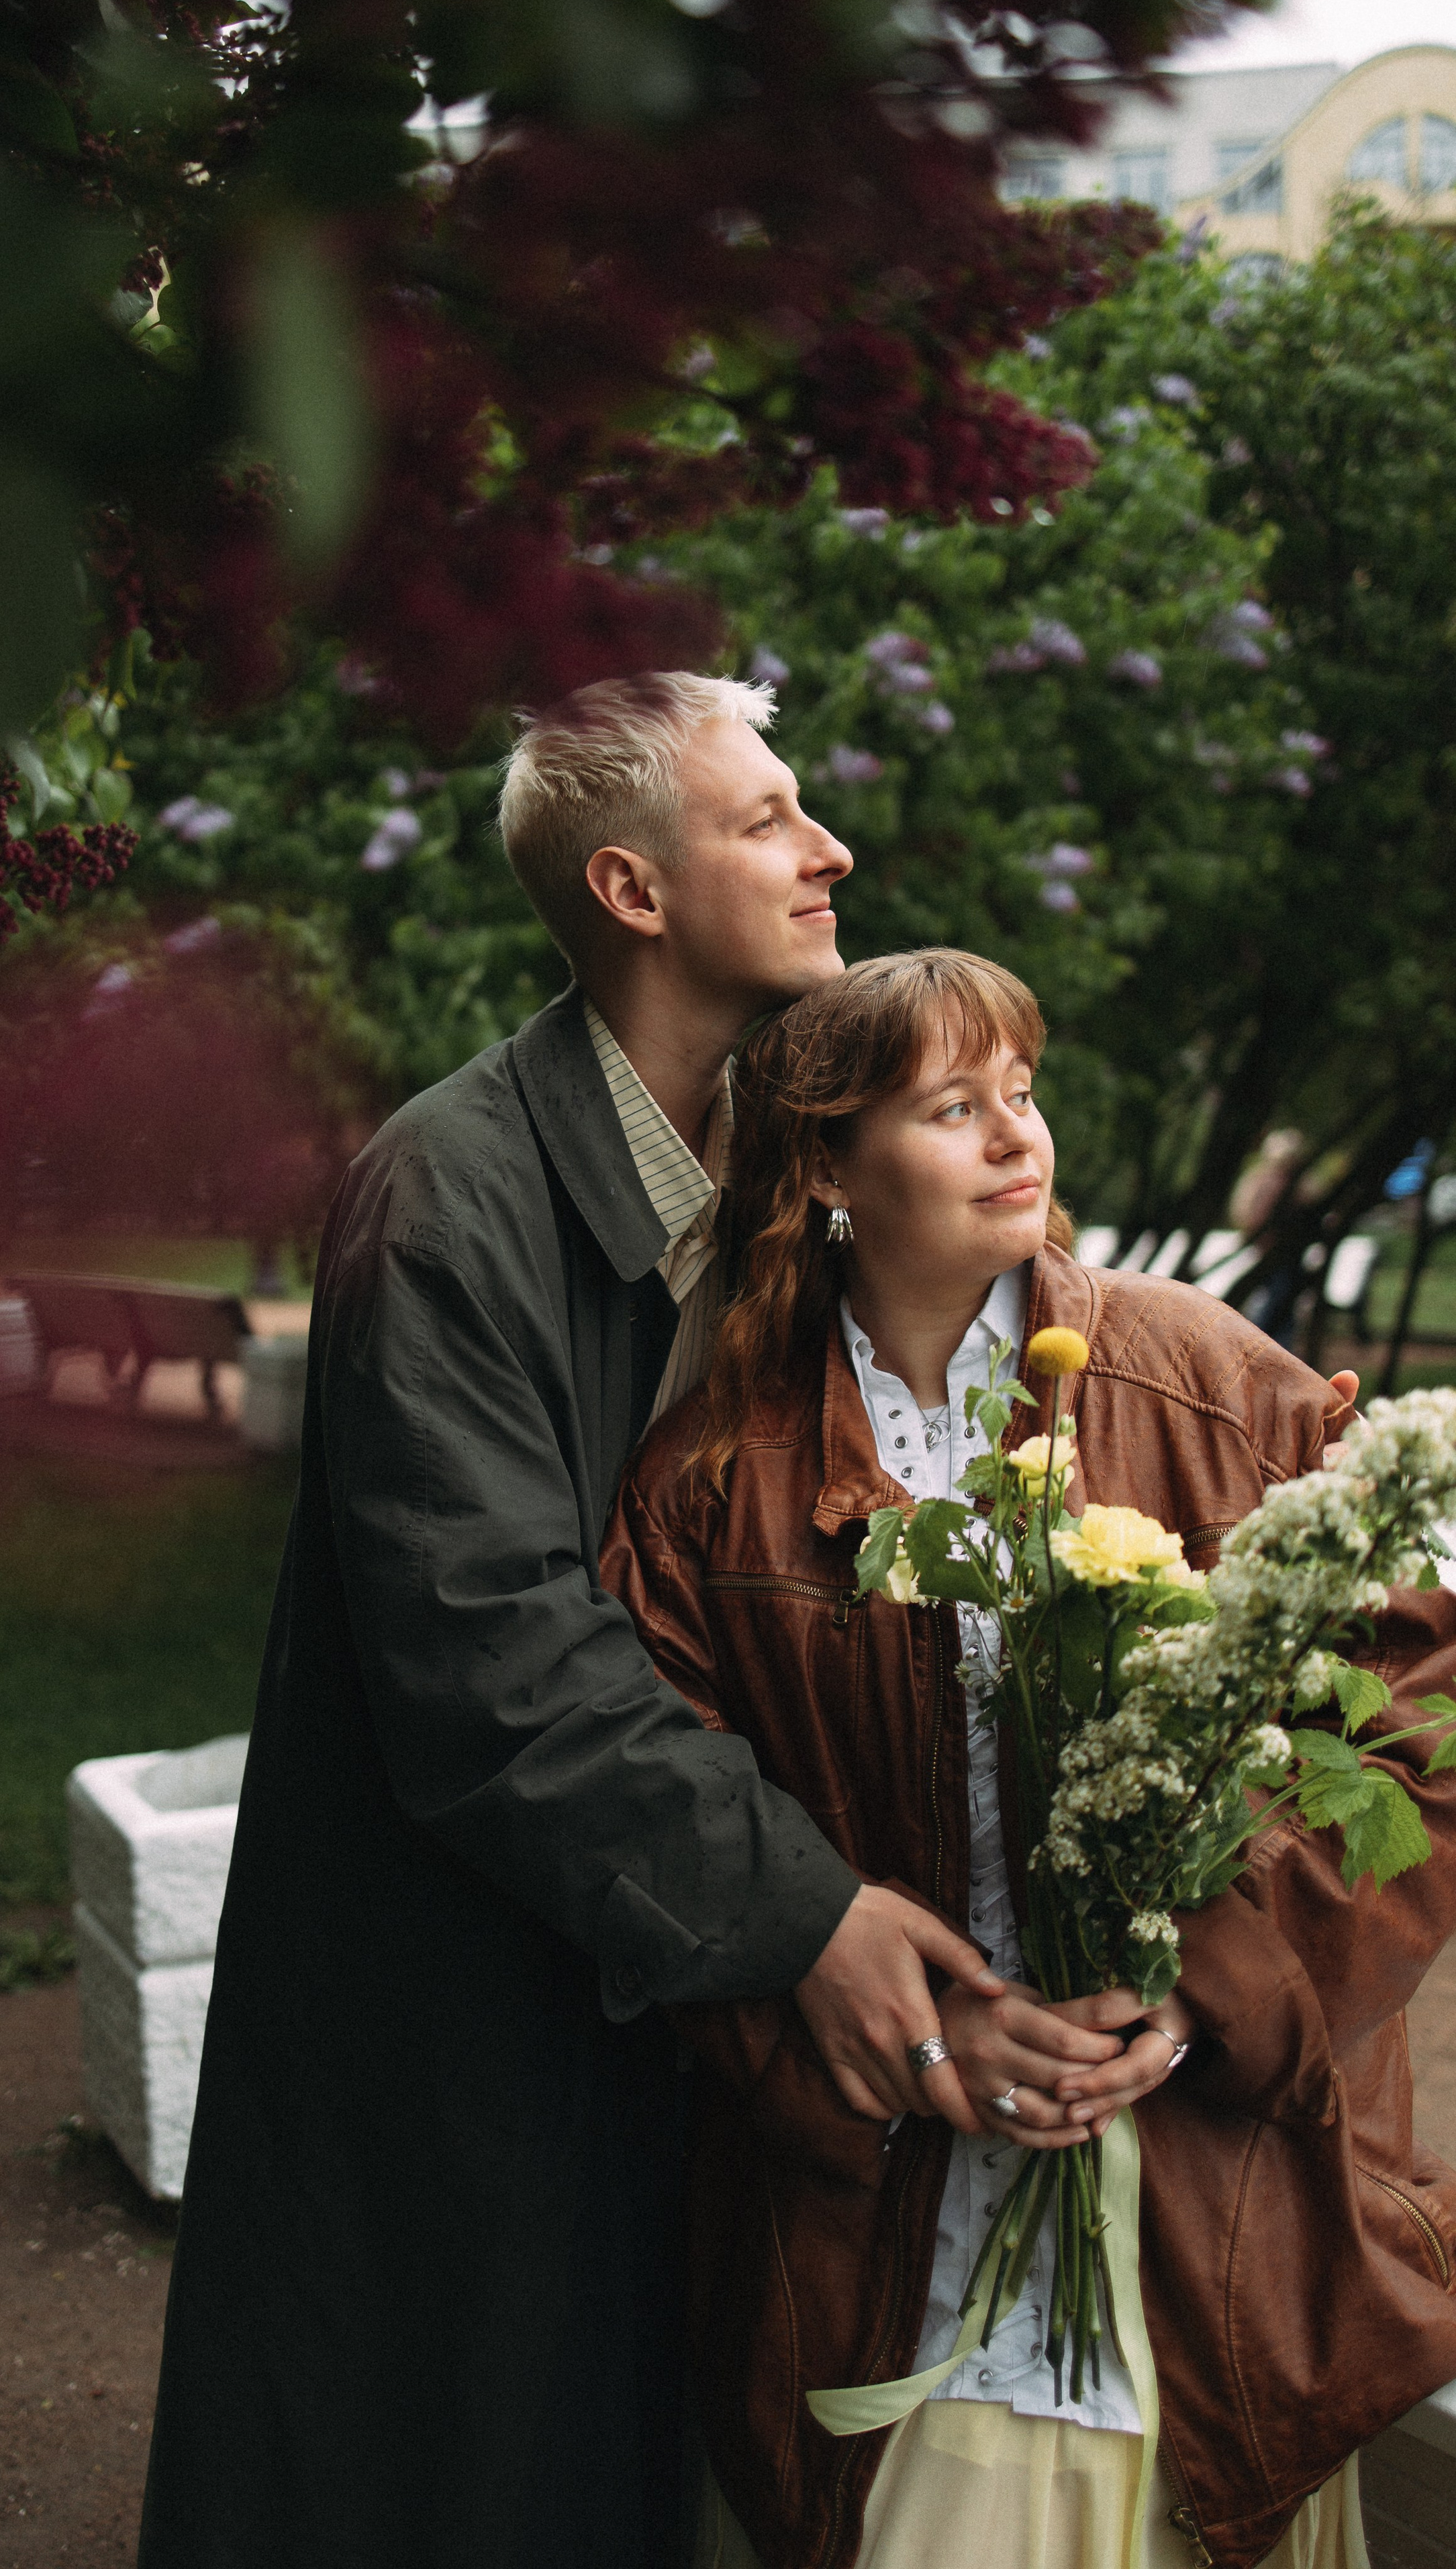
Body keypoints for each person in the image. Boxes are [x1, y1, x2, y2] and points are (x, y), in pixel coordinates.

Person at [136, 684, 1013, 2569]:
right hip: (463, 2007)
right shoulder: (446, 1195)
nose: (830, 848)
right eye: (771, 817)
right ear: (631, 884)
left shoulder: (780, 1172)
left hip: (654, 1980)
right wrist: (807, 1909)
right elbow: (497, 1666)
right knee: (454, 2466)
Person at [601, 949, 1456, 2569]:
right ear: (827, 1173)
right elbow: (655, 1827)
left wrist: (1206, 1972)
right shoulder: (709, 1481)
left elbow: (1419, 1702)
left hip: (1212, 2225)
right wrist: (901, 2043)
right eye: (950, 1108)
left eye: (1019, 1093)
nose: (1016, 1138)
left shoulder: (1195, 1377)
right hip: (880, 2233)